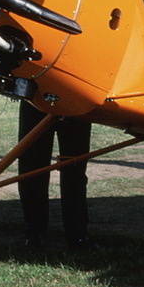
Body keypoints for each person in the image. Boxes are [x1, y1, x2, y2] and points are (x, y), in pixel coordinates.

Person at [17, 100, 93, 250]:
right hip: (35, 98)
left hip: (75, 100)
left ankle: (77, 234)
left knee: (74, 168)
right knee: (32, 167)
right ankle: (34, 233)